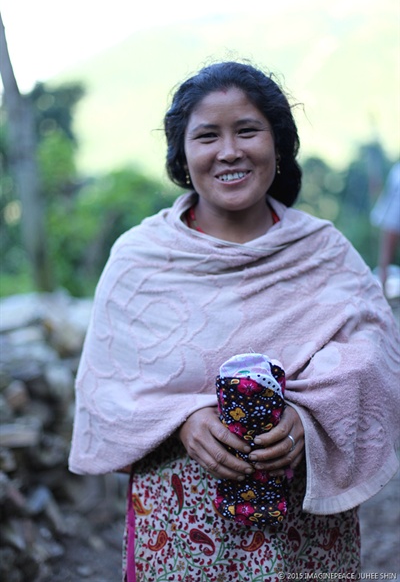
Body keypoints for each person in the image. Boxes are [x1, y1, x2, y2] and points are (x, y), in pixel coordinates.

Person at [69, 61, 400, 581]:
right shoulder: (141, 260)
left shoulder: (322, 250)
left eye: (247, 130)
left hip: (302, 521)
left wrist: (308, 418)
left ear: (278, 143)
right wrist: (181, 420)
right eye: (207, 136)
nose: (229, 151)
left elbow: (374, 352)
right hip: (180, 523)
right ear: (182, 154)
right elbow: (109, 387)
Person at [370, 160, 400, 293]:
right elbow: (388, 197)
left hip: (392, 217)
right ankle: (383, 293)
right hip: (392, 218)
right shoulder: (396, 170)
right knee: (385, 259)